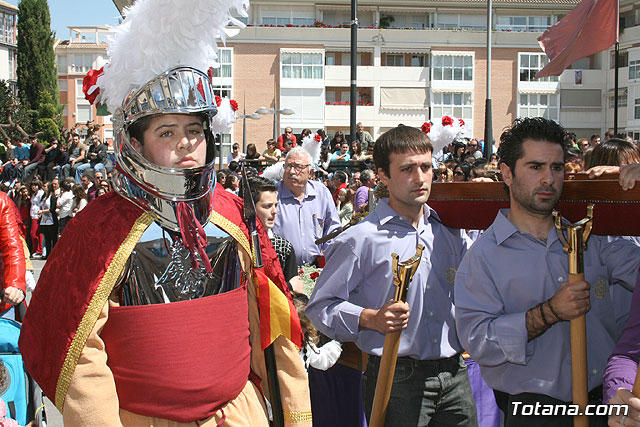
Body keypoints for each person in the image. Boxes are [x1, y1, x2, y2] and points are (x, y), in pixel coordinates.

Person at [19, 3, 312, 425]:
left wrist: (294, 413)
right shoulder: (101, 228)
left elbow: (271, 320)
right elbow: (79, 350)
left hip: (237, 415)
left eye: (194, 131)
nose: (186, 144)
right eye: (167, 132)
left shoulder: (232, 212)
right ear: (135, 144)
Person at [454, 117, 640, 427]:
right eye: (536, 167)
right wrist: (549, 312)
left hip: (606, 408)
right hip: (536, 413)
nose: (549, 179)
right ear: (507, 173)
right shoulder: (482, 257)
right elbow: (478, 342)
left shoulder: (592, 238)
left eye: (556, 168)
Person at [306, 125, 478, 426]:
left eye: (426, 167)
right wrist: (369, 318)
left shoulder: (451, 231)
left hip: (455, 373)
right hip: (395, 377)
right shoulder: (360, 238)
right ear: (383, 175)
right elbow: (320, 308)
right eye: (407, 169)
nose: (420, 177)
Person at [273, 146, 341, 267]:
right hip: (281, 272)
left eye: (298, 167)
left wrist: (325, 260)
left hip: (315, 271)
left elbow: (333, 230)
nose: (292, 171)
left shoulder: (321, 192)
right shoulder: (273, 195)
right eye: (288, 166)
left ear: (310, 172)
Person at [248, 176, 304, 294]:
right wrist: (289, 286)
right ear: (250, 208)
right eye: (267, 206)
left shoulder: (284, 247)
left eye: (276, 205)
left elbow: (296, 292)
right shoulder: (237, 244)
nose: (274, 211)